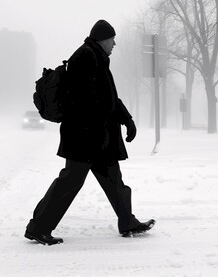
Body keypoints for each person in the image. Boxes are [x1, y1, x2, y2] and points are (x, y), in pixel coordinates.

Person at [25, 20, 155, 245]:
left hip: (97, 138)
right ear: (102, 39)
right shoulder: (85, 57)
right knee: (70, 182)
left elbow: (109, 98)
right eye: (112, 39)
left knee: (114, 180)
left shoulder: (97, 57)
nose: (114, 44)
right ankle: (38, 227)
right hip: (84, 138)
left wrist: (127, 119)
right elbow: (86, 100)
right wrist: (108, 120)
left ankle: (127, 221)